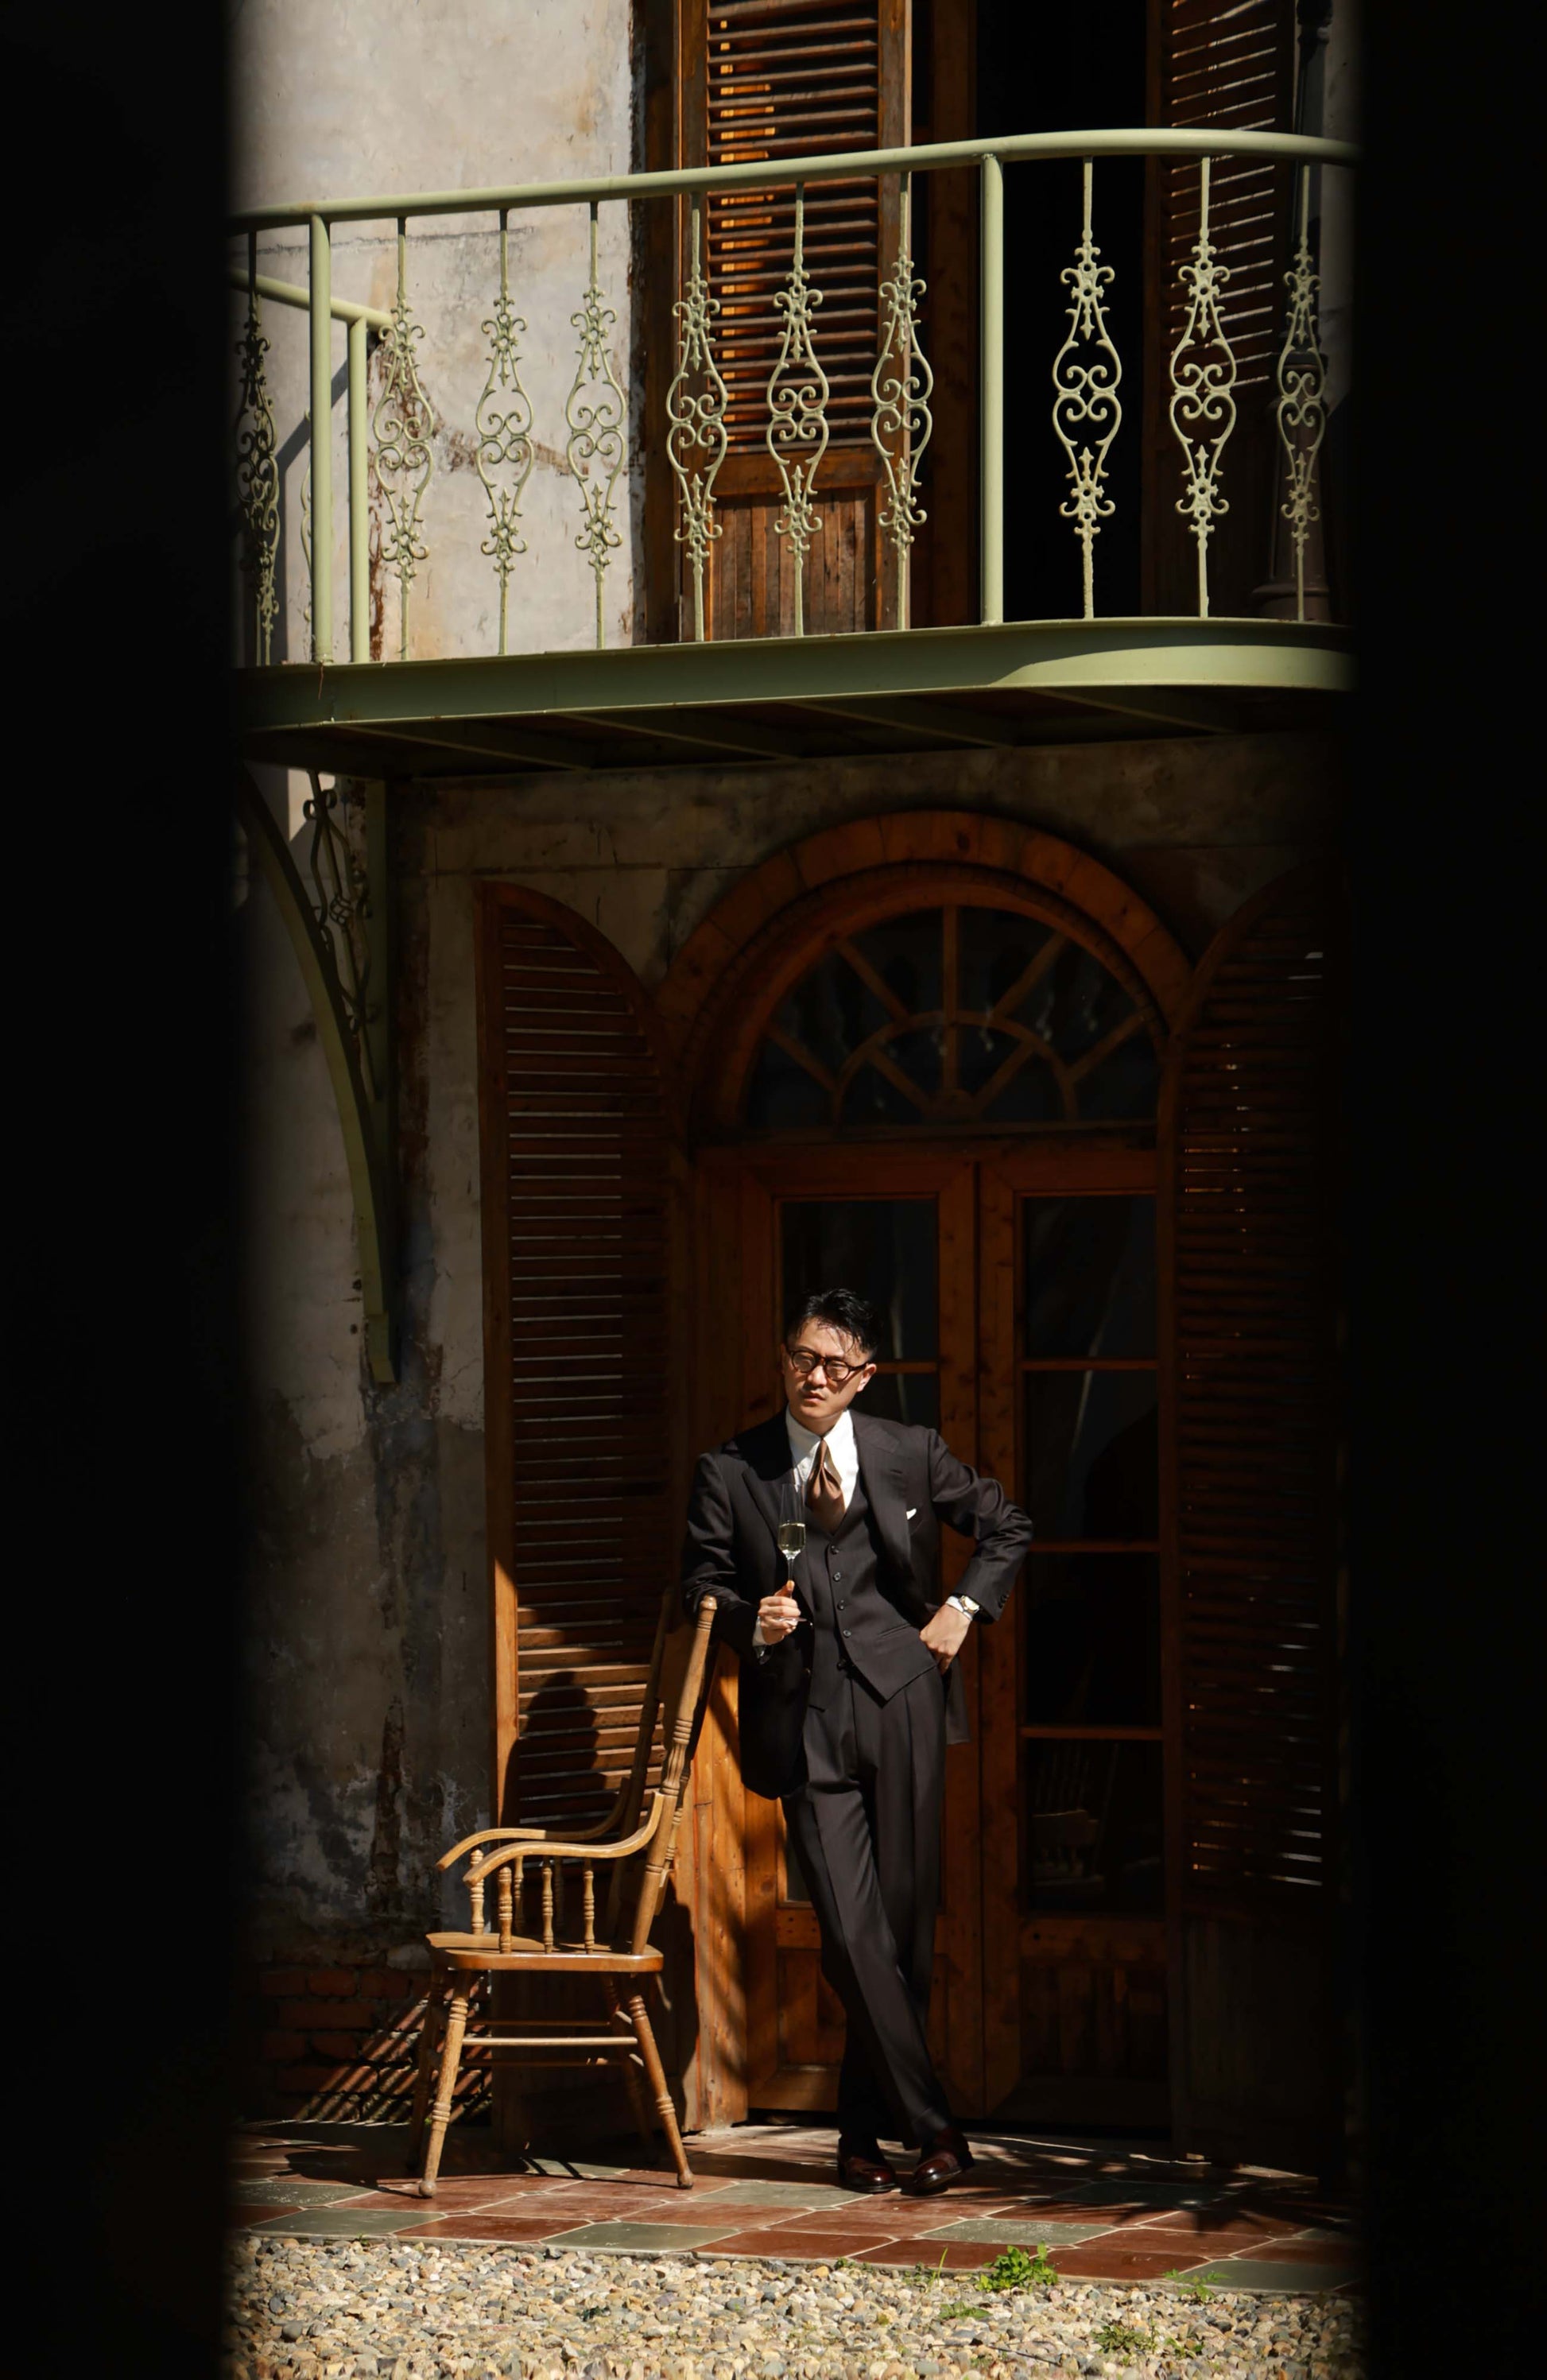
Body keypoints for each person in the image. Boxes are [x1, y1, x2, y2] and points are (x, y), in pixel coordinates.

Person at [680, 1286, 1033, 2195]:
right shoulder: (733, 1469)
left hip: (903, 1703)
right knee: (848, 1931)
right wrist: (748, 1622)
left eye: (835, 1365)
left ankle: (857, 2136)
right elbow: (700, 1585)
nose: (814, 1376)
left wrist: (962, 1608)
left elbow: (1006, 1525)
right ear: (782, 1358)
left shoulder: (907, 1452)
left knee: (902, 1937)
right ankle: (935, 2126)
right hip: (801, 1718)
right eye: (802, 1357)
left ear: (864, 1376)